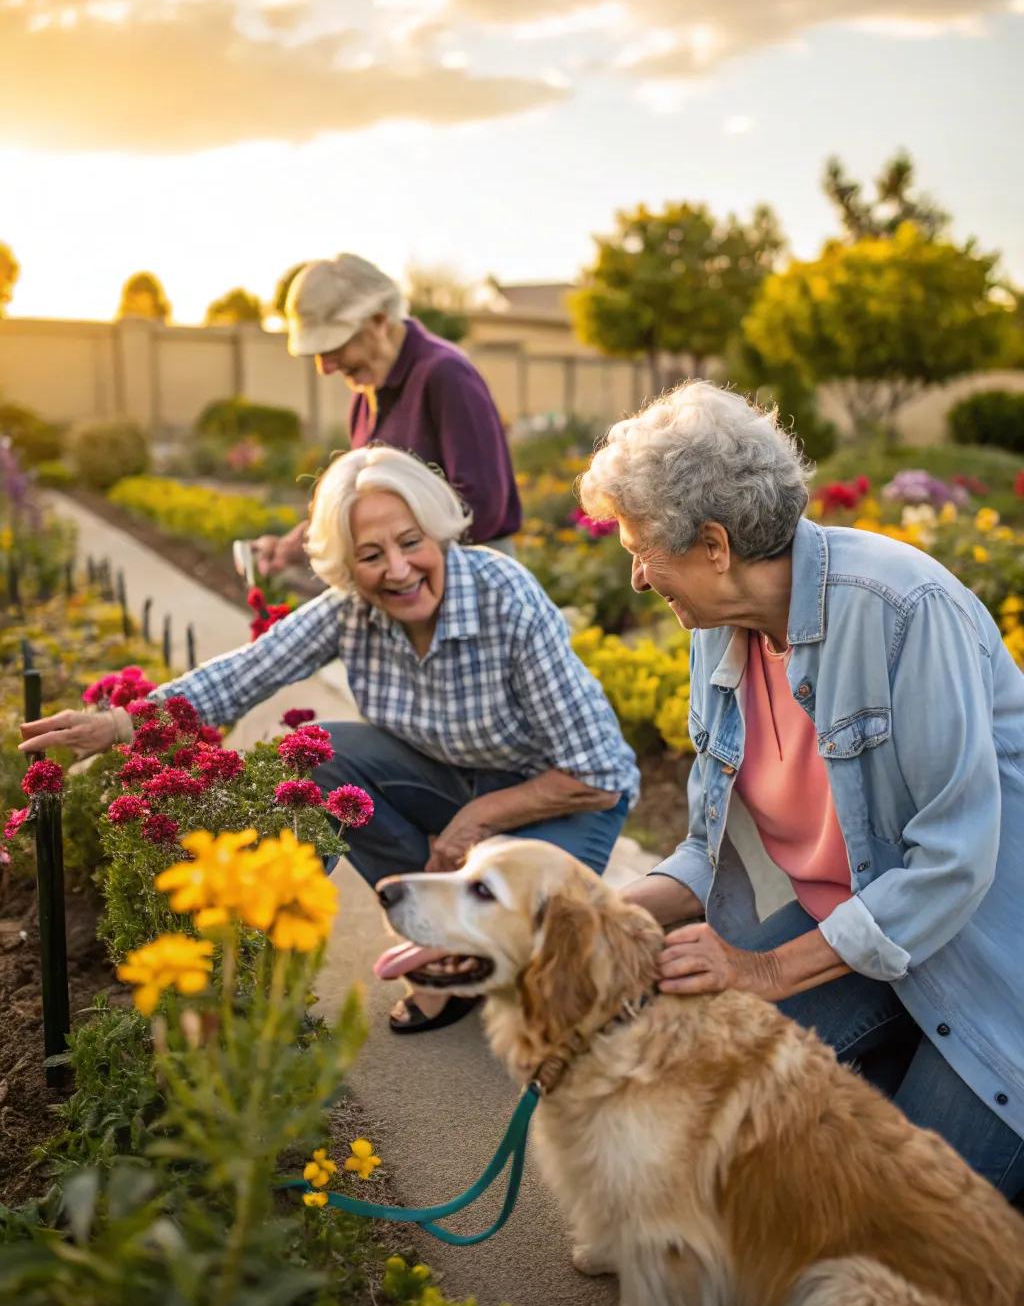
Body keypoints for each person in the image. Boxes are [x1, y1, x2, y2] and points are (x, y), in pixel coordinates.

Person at [577, 381, 1024, 1199]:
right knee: (690, 1094)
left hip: (988, 968)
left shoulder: (900, 607)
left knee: (901, 1218)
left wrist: (762, 973)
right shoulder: (717, 631)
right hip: (850, 937)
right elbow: (703, 848)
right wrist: (582, 927)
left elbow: (953, 866)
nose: (637, 576)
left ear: (714, 543)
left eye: (642, 547)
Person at [22, 446, 637, 1035]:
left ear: (438, 531)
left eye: (411, 543)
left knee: (543, 973)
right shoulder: (351, 608)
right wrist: (121, 723)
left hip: (557, 796)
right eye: (370, 555)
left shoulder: (505, 597)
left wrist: (477, 820)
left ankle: (478, 934)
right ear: (347, 566)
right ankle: (423, 945)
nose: (397, 570)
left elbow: (597, 774)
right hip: (450, 776)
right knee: (322, 757)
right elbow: (246, 671)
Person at [252, 254, 521, 573]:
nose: (325, 367)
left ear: (378, 321)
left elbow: (482, 508)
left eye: (334, 347)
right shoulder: (366, 397)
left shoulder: (446, 375)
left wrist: (382, 546)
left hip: (474, 578)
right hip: (412, 581)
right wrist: (299, 544)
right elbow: (362, 500)